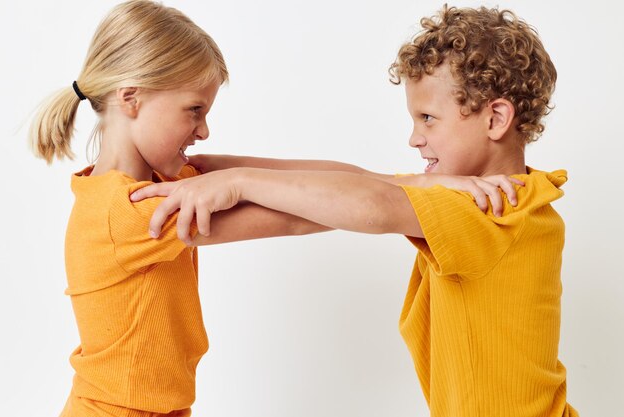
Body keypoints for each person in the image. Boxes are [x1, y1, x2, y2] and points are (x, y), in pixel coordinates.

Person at [29, 1, 517, 416]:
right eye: (194, 109)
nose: (203, 131)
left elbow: (303, 175)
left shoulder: (171, 182)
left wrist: (423, 181)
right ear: (131, 98)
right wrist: (431, 197)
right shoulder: (135, 211)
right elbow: (296, 212)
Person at [131, 5, 578, 417]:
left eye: (428, 119)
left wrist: (237, 182)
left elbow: (373, 204)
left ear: (495, 119)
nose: (414, 138)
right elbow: (362, 179)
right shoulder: (506, 196)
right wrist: (215, 170)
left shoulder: (493, 209)